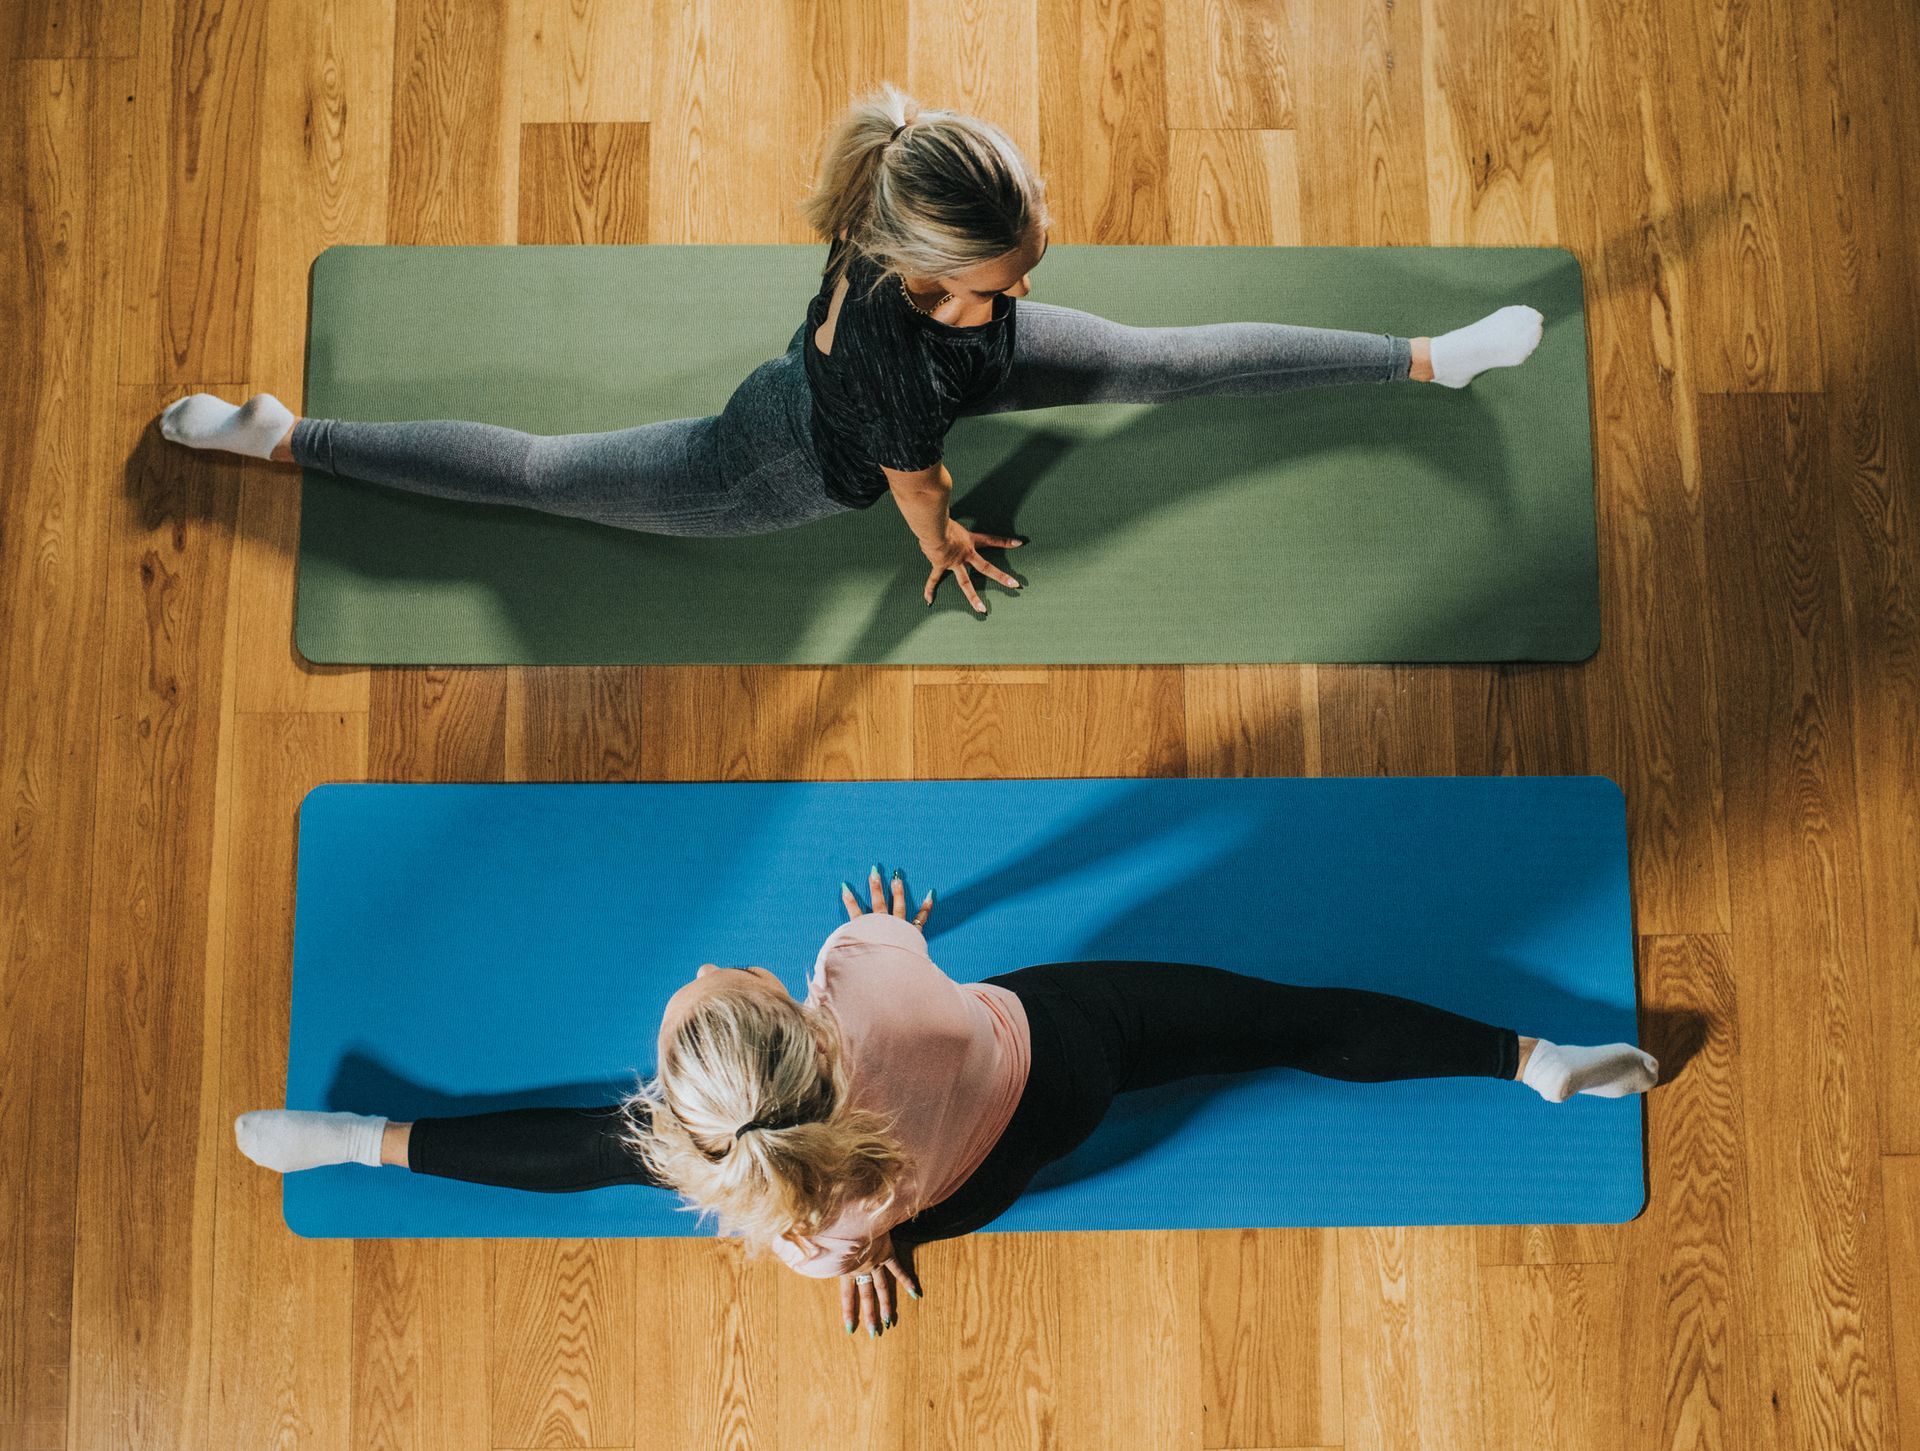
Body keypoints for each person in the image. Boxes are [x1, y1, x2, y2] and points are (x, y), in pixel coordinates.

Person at [158, 81, 1546, 613]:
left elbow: (989, 308)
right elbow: (917, 490)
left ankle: (1430, 357)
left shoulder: (915, 197)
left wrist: (1002, 312)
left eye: (1030, 250)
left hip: (931, 378)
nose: (1028, 276)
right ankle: (291, 436)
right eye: (1006, 273)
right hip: (778, 459)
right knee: (542, 475)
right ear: (931, 277)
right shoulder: (900, 366)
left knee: (1161, 359)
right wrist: (941, 543)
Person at [235, 865, 1658, 1338]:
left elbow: (812, 1218)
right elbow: (883, 951)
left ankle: (356, 1142)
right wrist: (889, 933)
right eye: (709, 985)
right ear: (790, 1009)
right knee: (1281, 1022)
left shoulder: (759, 1201)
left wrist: (883, 1242)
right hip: (1058, 1071)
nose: (700, 971)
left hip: (950, 1201)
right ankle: (1531, 1060)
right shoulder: (867, 980)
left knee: (610, 1157)